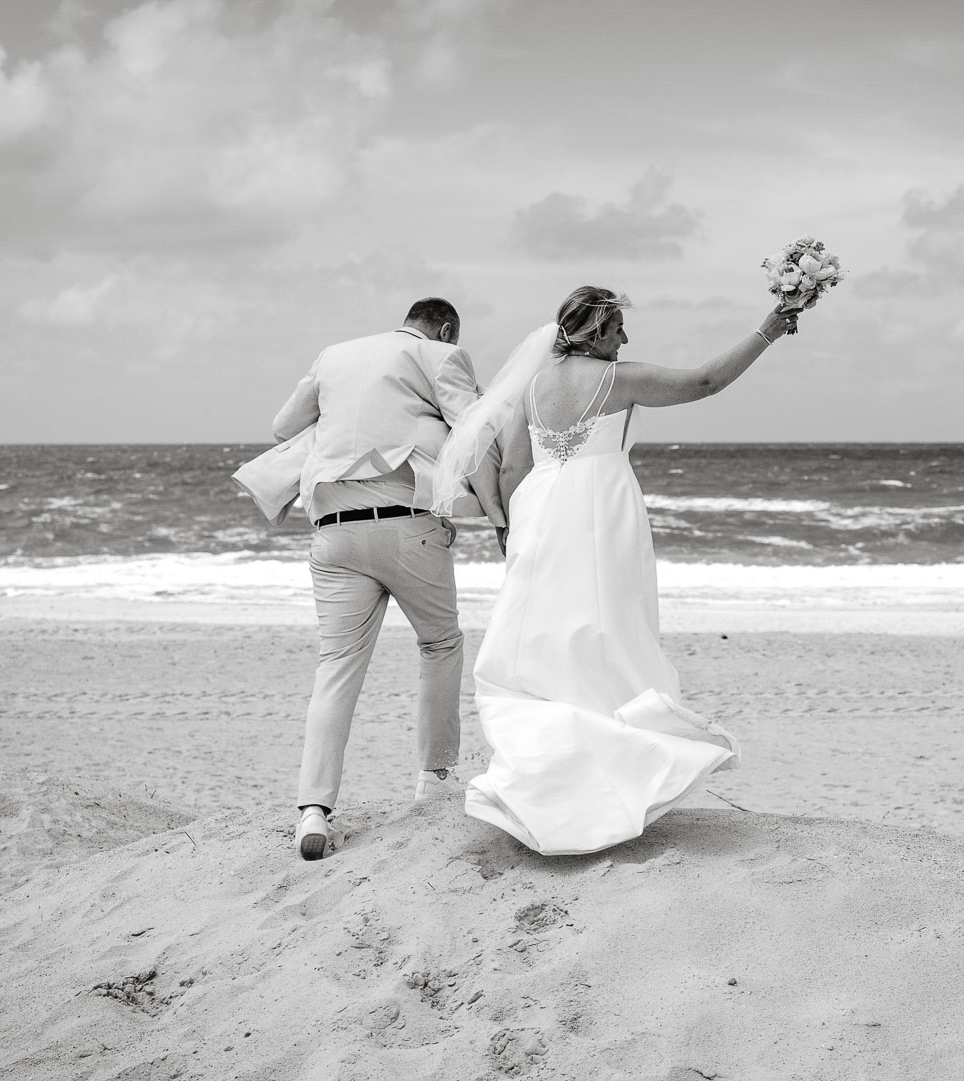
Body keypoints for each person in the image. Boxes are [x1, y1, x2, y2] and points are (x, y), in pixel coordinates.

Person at [430, 286, 797, 854]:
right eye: (618, 328)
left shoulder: (532, 386)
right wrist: (768, 330)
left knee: (551, 641)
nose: (626, 339)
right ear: (595, 332)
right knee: (611, 633)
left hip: (539, 514)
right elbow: (705, 382)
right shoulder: (617, 380)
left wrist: (511, 532)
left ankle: (552, 773)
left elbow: (511, 469)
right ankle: (611, 774)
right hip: (601, 511)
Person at [272, 297, 516, 861]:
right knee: (440, 644)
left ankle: (313, 809)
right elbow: (476, 434)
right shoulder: (440, 355)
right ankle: (434, 779)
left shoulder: (333, 355)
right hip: (408, 526)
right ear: (446, 329)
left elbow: (282, 427)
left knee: (336, 666)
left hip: (333, 530)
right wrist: (498, 518)